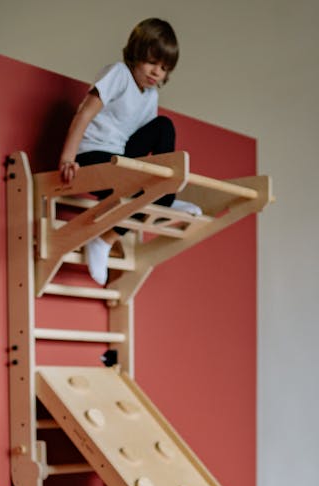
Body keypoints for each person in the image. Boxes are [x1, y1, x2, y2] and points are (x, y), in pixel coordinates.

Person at [58, 16, 201, 285]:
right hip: (92, 156)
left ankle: (165, 196)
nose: (156, 72)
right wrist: (68, 158)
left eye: (163, 67)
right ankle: (104, 240)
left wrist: (161, 182)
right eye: (151, 62)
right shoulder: (119, 74)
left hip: (120, 157)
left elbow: (150, 141)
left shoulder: (151, 96)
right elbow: (85, 113)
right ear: (136, 54)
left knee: (164, 126)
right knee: (143, 189)